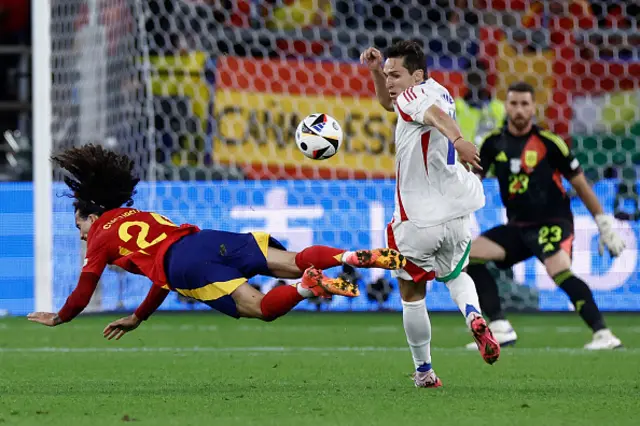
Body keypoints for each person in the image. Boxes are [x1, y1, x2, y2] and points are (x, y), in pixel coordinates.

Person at [27, 144, 406, 340]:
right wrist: (139, 316)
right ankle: (347, 255)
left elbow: (84, 288)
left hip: (186, 266)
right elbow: (161, 276)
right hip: (205, 240)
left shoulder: (101, 235)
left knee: (262, 309)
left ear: (92, 216)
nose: (80, 233)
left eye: (80, 224)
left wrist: (61, 316)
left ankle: (307, 288)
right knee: (291, 259)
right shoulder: (141, 217)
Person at [360, 40, 500, 388]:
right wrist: (377, 72)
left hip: (418, 217)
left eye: (396, 75)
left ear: (417, 75)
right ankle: (473, 316)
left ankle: (424, 371)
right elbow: (389, 103)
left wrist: (458, 141)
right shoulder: (440, 91)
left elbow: (432, 117)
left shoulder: (413, 97)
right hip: (455, 212)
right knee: (456, 274)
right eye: (388, 75)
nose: (390, 82)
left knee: (411, 294)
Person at [466, 81, 625, 350]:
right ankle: (500, 326)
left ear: (533, 108)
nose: (518, 109)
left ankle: (603, 334)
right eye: (514, 103)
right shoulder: (493, 143)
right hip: (517, 227)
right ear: (506, 106)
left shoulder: (549, 143)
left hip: (552, 222)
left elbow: (580, 185)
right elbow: (471, 183)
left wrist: (603, 222)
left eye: (524, 104)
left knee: (558, 270)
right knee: (469, 256)